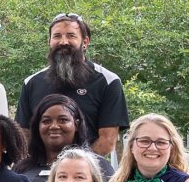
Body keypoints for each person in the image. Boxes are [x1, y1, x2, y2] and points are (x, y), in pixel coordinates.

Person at [14, 12, 128, 157]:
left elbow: (107, 141)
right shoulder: (31, 82)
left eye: (71, 36)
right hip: (39, 169)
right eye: (57, 36)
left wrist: (76, 167)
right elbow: (23, 135)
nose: (63, 42)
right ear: (49, 41)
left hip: (89, 169)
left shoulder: (108, 81)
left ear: (85, 42)